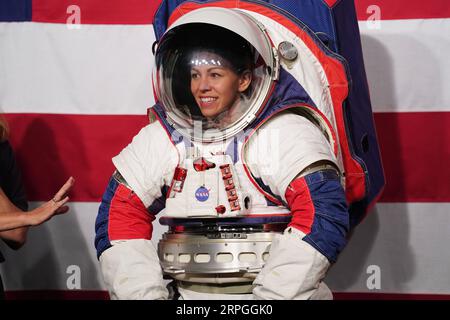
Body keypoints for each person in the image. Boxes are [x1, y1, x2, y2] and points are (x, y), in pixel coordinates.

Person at [95, 11, 348, 300]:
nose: (202, 86)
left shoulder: (283, 132)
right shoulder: (166, 138)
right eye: (194, 75)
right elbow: (120, 217)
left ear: (243, 80)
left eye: (215, 74)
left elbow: (323, 214)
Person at [0, 116, 74, 298]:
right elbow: (24, 222)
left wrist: (27, 219)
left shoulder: (2, 150)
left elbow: (16, 234)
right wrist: (29, 217)